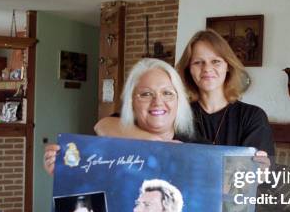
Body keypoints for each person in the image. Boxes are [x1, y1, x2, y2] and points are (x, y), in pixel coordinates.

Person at [94, 29, 274, 158]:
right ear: (188, 69)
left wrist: (259, 170)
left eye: (216, 61)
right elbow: (103, 125)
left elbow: (255, 173)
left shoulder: (251, 116)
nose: (207, 69)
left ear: (228, 66)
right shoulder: (172, 110)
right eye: (198, 62)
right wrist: (155, 142)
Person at [44, 58, 197, 174]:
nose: (157, 102)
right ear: (131, 102)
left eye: (167, 93)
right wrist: (63, 172)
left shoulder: (200, 149)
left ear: (180, 101)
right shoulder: (106, 151)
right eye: (146, 94)